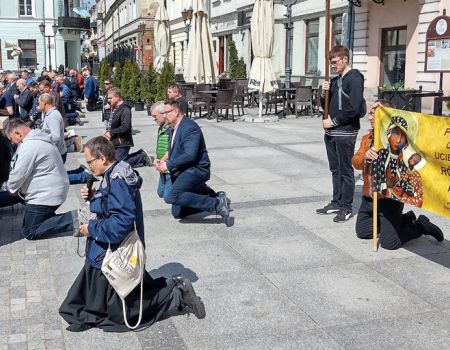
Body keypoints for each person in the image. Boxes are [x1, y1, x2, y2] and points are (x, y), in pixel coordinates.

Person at [59, 136, 206, 332]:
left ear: (102, 158)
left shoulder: (118, 179)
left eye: (90, 162)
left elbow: (121, 222)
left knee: (123, 314)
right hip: (107, 250)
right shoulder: (115, 171)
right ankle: (172, 287)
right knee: (105, 300)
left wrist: (91, 229)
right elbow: (113, 206)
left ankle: (177, 294)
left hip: (114, 251)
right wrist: (95, 197)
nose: (89, 167)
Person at [353, 100, 443, 250]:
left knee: (389, 243)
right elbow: (355, 163)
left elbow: (413, 163)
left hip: (390, 200)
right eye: (369, 113)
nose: (369, 117)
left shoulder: (400, 142)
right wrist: (365, 157)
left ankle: (419, 226)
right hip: (369, 198)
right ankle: (405, 219)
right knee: (363, 232)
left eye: (374, 113)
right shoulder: (367, 139)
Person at [156, 99, 231, 224]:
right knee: (178, 213)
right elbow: (174, 149)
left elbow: (190, 155)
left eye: (166, 112)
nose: (164, 115)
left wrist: (168, 165)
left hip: (196, 169)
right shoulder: (174, 127)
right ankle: (212, 196)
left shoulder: (189, 127)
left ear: (176, 111)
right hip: (184, 170)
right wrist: (162, 160)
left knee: (171, 196)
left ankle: (216, 204)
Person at [4, 119, 77, 240]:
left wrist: (11, 188)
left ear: (18, 133)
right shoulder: (38, 137)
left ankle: (75, 218)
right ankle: (44, 216)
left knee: (30, 231)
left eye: (12, 139)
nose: (13, 143)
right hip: (52, 189)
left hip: (46, 194)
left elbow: (18, 174)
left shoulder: (29, 146)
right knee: (16, 194)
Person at [317, 45, 365, 222]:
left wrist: (334, 121)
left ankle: (346, 207)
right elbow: (326, 107)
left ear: (345, 59)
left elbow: (355, 108)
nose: (333, 66)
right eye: (331, 63)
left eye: (335, 62)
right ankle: (336, 202)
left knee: (345, 170)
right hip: (331, 133)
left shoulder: (354, 79)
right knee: (335, 169)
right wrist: (324, 93)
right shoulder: (336, 80)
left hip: (345, 132)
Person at [103, 87, 133, 161]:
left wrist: (111, 133)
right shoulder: (115, 107)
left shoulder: (125, 109)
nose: (109, 100)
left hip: (122, 143)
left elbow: (126, 126)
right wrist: (107, 131)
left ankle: (141, 156)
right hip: (115, 141)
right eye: (108, 98)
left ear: (117, 97)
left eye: (110, 98)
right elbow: (113, 123)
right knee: (114, 162)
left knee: (117, 163)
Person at [151, 101, 173, 200]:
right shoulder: (161, 127)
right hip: (162, 167)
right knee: (161, 193)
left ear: (163, 114)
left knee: (168, 196)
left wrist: (163, 160)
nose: (154, 119)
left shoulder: (171, 128)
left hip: (169, 167)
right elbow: (158, 144)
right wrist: (156, 157)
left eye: (155, 116)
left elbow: (171, 148)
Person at [38, 93, 68, 163]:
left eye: (39, 103)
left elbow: (56, 137)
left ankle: (82, 173)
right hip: (57, 152)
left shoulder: (53, 116)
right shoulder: (51, 114)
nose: (38, 106)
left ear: (44, 103)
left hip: (57, 154)